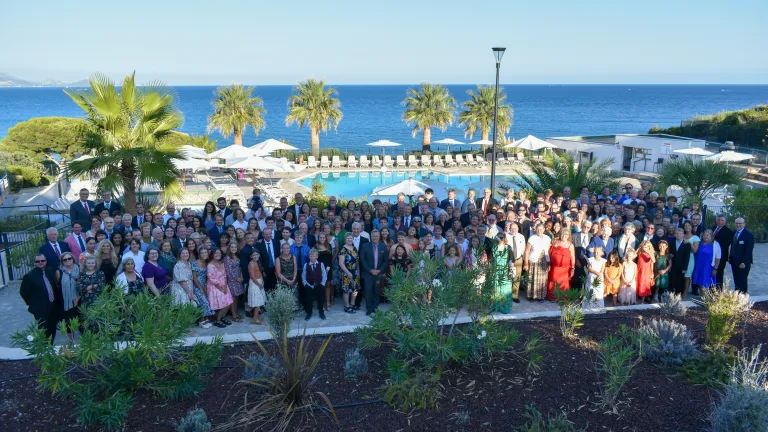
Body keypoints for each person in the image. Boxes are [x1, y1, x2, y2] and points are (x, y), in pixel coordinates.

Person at [20, 254, 61, 342]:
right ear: (35, 263)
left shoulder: (50, 271)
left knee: (52, 329)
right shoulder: (29, 276)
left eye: (42, 261)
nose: (40, 262)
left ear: (46, 261)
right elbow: (24, 293)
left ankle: (50, 348)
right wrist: (33, 304)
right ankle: (43, 351)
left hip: (53, 307)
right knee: (43, 331)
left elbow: (55, 286)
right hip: (40, 309)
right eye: (38, 261)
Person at [360, 229, 388, 316]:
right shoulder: (365, 246)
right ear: (371, 237)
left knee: (377, 291)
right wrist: (370, 270)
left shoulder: (383, 246)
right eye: (373, 236)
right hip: (368, 273)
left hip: (378, 273)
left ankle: (375, 307)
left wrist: (379, 270)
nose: (375, 237)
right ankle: (369, 308)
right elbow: (362, 260)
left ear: (379, 236)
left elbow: (385, 261)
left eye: (376, 236)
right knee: (368, 291)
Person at [524, 223, 551, 301]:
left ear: (544, 230)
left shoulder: (547, 238)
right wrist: (526, 263)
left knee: (542, 279)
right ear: (535, 229)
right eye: (538, 229)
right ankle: (531, 296)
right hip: (534, 260)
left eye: (541, 229)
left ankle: (540, 296)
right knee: (532, 278)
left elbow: (548, 251)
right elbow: (527, 251)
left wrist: (549, 263)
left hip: (544, 260)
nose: (539, 231)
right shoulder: (532, 238)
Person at [207, 248, 233, 328]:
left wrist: (225, 286)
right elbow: (213, 279)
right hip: (215, 287)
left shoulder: (221, 263)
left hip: (224, 285)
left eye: (219, 253)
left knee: (229, 303)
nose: (218, 255)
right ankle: (217, 320)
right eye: (216, 253)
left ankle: (221, 317)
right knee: (223, 304)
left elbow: (225, 275)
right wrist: (221, 289)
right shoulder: (210, 266)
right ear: (212, 255)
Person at [546, 229, 575, 301]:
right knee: (553, 281)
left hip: (565, 269)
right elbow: (549, 253)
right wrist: (548, 263)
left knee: (563, 282)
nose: (563, 236)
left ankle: (562, 298)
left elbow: (572, 257)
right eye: (562, 234)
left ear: (568, 236)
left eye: (566, 234)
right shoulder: (555, 242)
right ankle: (552, 297)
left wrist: (573, 268)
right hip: (554, 267)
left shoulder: (570, 245)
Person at [490, 233, 514, 313]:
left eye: (501, 237)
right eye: (498, 237)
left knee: (505, 290)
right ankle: (495, 307)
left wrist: (511, 272)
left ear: (504, 238)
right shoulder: (494, 247)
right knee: (495, 289)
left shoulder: (508, 247)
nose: (500, 238)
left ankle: (505, 308)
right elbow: (491, 260)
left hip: (505, 271)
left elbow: (512, 260)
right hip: (495, 271)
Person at [301, 248, 328, 320]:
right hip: (309, 286)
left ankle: (321, 312)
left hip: (319, 285)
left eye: (314, 256)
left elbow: (324, 274)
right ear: (309, 256)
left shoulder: (321, 264)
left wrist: (322, 284)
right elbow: (303, 275)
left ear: (317, 256)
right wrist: (306, 284)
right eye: (311, 256)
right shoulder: (306, 265)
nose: (312, 257)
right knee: (309, 300)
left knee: (320, 300)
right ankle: (309, 313)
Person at [729, 218, 754, 293]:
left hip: (743, 263)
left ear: (744, 224)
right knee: (736, 280)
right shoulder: (734, 233)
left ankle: (743, 297)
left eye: (740, 223)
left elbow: (749, 250)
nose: (738, 225)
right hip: (734, 261)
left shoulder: (748, 235)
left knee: (742, 281)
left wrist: (744, 262)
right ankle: (737, 296)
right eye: (736, 223)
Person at [339, 233, 360, 313]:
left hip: (354, 272)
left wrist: (358, 272)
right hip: (346, 273)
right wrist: (348, 273)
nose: (349, 240)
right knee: (346, 290)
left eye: (351, 238)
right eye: (348, 238)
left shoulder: (354, 249)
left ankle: (352, 304)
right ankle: (347, 306)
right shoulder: (343, 250)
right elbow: (341, 264)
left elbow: (357, 262)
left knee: (355, 290)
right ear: (345, 239)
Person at [223, 241, 244, 322]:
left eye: (235, 247)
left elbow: (240, 267)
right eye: (232, 247)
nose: (233, 248)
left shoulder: (237, 256)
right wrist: (236, 278)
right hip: (232, 280)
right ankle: (234, 315)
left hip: (238, 279)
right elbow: (228, 271)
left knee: (237, 297)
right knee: (233, 298)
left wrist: (241, 276)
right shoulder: (227, 258)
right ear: (229, 248)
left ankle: (235, 312)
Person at [711, 215, 734, 289]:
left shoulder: (729, 232)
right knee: (711, 272)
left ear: (725, 221)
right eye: (718, 220)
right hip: (710, 255)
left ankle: (718, 290)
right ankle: (710, 288)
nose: (719, 222)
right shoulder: (712, 228)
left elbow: (725, 245)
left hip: (721, 256)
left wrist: (715, 251)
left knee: (719, 273)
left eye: (722, 220)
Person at [669, 228, 691, 298]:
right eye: (677, 233)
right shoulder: (672, 243)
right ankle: (671, 294)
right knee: (672, 279)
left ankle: (678, 294)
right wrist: (670, 255)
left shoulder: (687, 244)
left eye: (680, 234)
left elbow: (687, 257)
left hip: (682, 266)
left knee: (680, 280)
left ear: (683, 235)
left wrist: (685, 268)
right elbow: (669, 253)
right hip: (673, 265)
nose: (678, 235)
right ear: (675, 234)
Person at [246, 249, 266, 325]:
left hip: (259, 281)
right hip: (255, 283)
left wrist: (262, 281)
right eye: (254, 255)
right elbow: (252, 276)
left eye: (257, 254)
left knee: (260, 301)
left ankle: (256, 316)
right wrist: (259, 284)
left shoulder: (257, 262)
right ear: (251, 256)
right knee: (257, 302)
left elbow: (260, 272)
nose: (256, 256)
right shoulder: (251, 264)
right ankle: (255, 319)